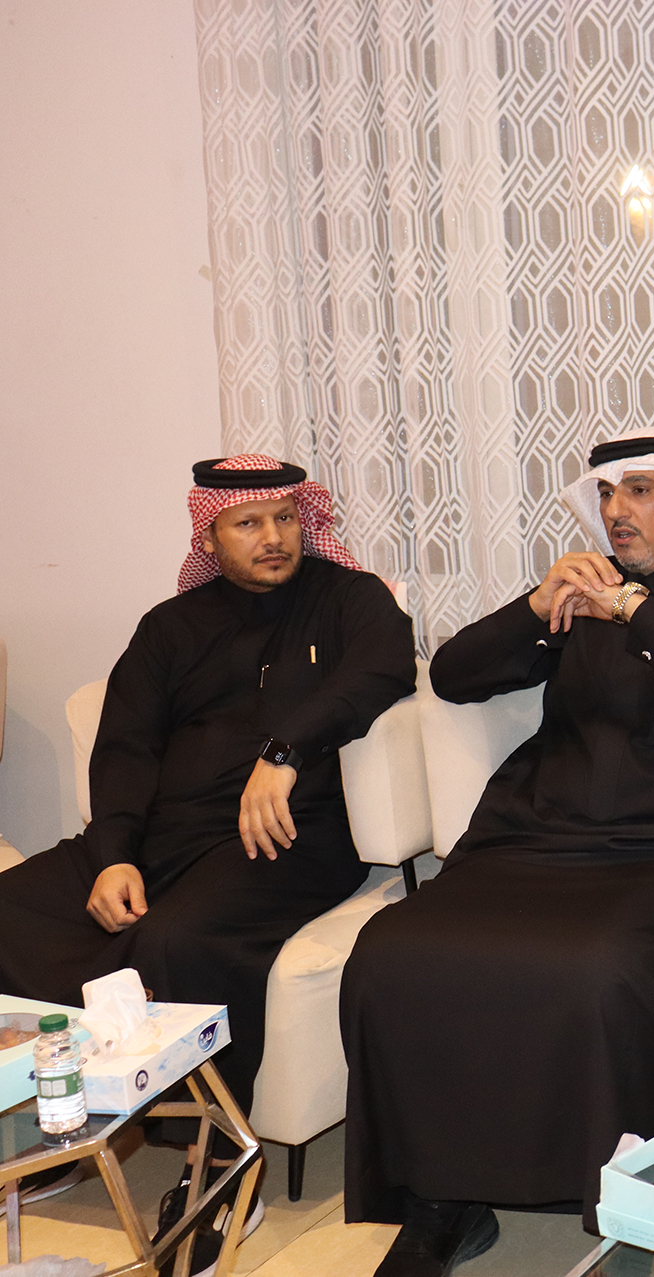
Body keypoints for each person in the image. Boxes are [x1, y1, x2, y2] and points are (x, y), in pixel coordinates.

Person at [341, 431, 654, 1277]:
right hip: (541, 838)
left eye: (638, 491)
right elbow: (454, 675)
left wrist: (639, 613)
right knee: (392, 949)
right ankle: (440, 1201)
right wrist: (537, 607)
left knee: (598, 968)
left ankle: (640, 1198)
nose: (615, 511)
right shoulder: (579, 590)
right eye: (607, 493)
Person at [0, 453, 416, 1246]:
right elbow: (125, 747)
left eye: (285, 518)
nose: (274, 536)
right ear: (209, 536)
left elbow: (383, 669)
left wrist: (285, 749)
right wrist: (115, 853)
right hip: (161, 837)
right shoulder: (170, 627)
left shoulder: (349, 599)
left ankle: (219, 1160)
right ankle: (60, 1125)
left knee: (176, 939)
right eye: (248, 523)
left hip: (286, 837)